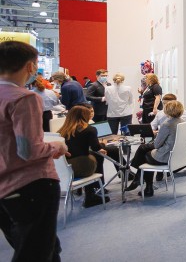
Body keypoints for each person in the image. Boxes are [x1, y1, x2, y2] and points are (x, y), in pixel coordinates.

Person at [0, 41, 67, 262]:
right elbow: (28, 151)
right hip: (30, 185)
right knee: (35, 252)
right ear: (30, 66)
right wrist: (56, 146)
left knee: (45, 248)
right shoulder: (23, 98)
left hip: (5, 187)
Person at [58, 106, 117, 207]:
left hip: (65, 169)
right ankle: (91, 194)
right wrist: (102, 144)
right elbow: (96, 148)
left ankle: (92, 192)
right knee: (95, 157)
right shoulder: (90, 129)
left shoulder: (61, 132)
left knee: (90, 156)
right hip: (82, 167)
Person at [125, 100, 184, 197]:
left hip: (165, 157)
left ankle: (141, 181)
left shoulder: (167, 124)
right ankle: (141, 182)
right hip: (178, 156)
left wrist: (157, 135)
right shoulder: (183, 122)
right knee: (144, 149)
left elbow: (157, 145)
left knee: (144, 152)